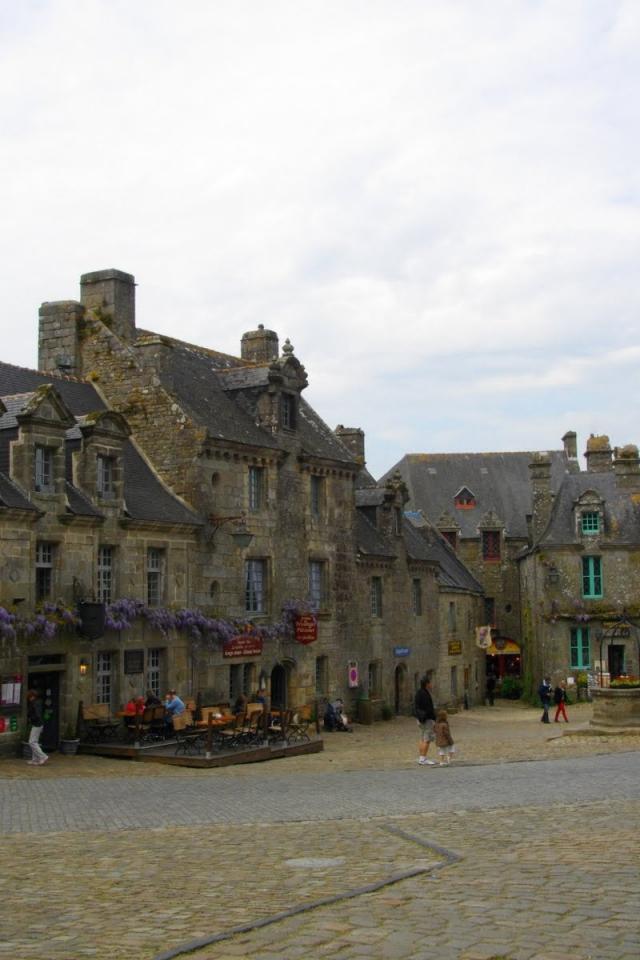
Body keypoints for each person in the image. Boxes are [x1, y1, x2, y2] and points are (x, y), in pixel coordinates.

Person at [414, 673, 437, 765]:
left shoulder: (419, 693)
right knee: (427, 739)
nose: (431, 684)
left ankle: (421, 757)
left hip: (420, 719)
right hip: (426, 719)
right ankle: (423, 759)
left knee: (422, 738)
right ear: (427, 684)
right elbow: (428, 709)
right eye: (430, 683)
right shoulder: (425, 694)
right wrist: (434, 719)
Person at [26, 689, 48, 766]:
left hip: (37, 724)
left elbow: (37, 715)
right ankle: (35, 759)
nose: (29, 699)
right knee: (34, 741)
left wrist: (31, 719)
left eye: (29, 697)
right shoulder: (37, 702)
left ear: (32, 696)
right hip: (38, 723)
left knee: (32, 742)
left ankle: (43, 756)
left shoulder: (35, 703)